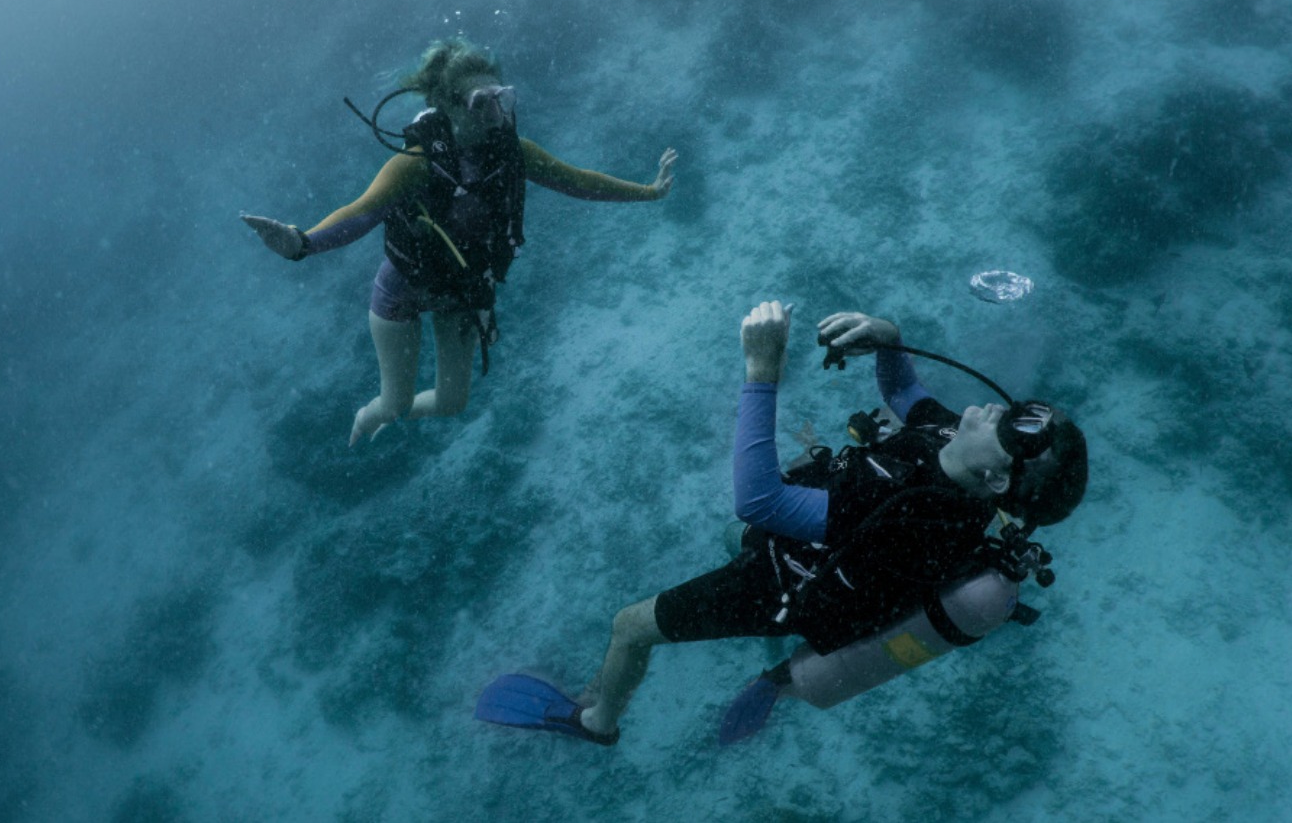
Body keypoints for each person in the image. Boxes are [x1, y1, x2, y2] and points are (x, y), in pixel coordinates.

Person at [473, 300, 1088, 746]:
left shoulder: (912, 510)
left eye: (1014, 429)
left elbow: (759, 503)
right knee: (735, 542)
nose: (996, 411)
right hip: (804, 543)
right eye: (1019, 410)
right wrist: (888, 337)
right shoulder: (954, 436)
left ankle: (595, 723)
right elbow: (907, 392)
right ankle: (773, 674)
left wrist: (761, 370)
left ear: (999, 480)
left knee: (629, 626)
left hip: (785, 583)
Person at [243, 38, 677, 445]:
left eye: (501, 98)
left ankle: (390, 413)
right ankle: (372, 414)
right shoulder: (416, 163)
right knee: (396, 404)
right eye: (481, 103)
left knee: (453, 403)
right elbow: (363, 212)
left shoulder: (514, 151)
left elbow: (578, 181)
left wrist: (649, 191)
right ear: (447, 107)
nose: (495, 114)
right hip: (403, 289)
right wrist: (302, 243)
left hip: (461, 290)